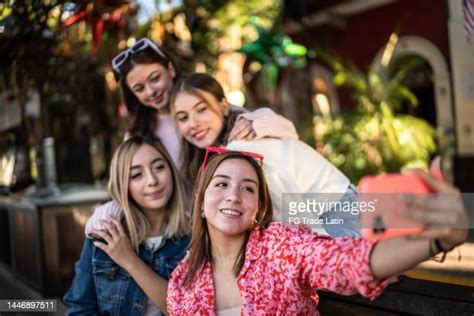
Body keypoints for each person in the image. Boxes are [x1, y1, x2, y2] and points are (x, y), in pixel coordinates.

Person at [167, 150, 468, 315]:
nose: (234, 195)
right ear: (201, 204)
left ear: (258, 209)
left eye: (248, 188)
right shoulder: (182, 281)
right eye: (221, 184)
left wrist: (437, 240)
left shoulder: (282, 244)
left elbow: (348, 262)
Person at [84, 37, 298, 234]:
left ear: (169, 68)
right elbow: (129, 181)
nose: (150, 91)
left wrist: (258, 121)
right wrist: (112, 209)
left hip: (230, 221)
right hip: (178, 230)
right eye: (139, 88)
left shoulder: (202, 105)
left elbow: (285, 132)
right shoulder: (139, 133)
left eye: (155, 78)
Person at [170, 73, 360, 237]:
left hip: (337, 212)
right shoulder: (222, 151)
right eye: (183, 117)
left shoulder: (242, 143)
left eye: (201, 110)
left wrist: (317, 256)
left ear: (224, 106)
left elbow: (290, 210)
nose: (193, 123)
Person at [64, 135, 189, 315]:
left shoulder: (194, 239)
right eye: (137, 174)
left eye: (159, 167)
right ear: (124, 185)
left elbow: (186, 310)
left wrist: (129, 260)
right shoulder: (104, 234)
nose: (152, 180)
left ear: (171, 170)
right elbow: (80, 309)